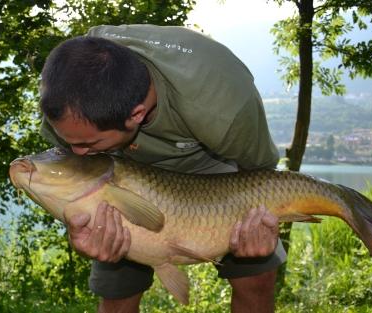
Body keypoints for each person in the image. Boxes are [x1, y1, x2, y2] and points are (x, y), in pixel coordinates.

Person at [39, 24, 286, 313]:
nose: (76, 152)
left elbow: (261, 175)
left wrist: (259, 223)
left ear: (137, 114)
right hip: (120, 170)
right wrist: (81, 226)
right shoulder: (67, 87)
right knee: (117, 293)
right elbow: (68, 178)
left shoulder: (222, 102)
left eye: (87, 142)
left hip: (212, 162)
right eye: (72, 143)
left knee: (256, 277)